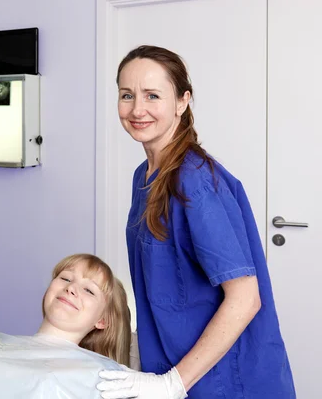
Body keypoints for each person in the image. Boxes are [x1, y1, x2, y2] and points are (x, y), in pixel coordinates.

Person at [96, 45, 295, 399]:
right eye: (127, 95)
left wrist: (174, 383)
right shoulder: (145, 176)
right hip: (176, 368)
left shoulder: (194, 181)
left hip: (221, 380)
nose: (137, 109)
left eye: (152, 95)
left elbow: (246, 298)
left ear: (182, 101)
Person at [0, 254, 137, 398]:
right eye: (65, 278)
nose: (71, 289)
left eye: (89, 290)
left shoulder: (105, 374)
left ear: (102, 320)